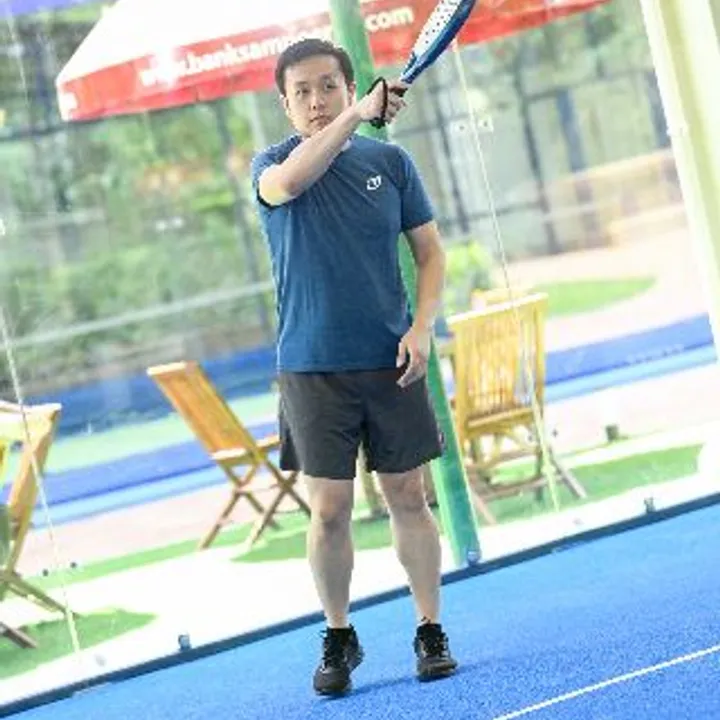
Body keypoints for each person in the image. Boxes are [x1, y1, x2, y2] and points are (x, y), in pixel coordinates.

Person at [250, 37, 457, 696]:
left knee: (409, 497)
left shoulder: (390, 164)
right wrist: (356, 116)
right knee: (330, 509)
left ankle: (429, 628)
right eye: (302, 91)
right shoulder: (270, 167)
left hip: (390, 361)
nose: (316, 100)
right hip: (311, 369)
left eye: (328, 87)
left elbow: (430, 254)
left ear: (347, 86)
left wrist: (422, 328)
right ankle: (339, 635)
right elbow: (292, 184)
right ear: (285, 104)